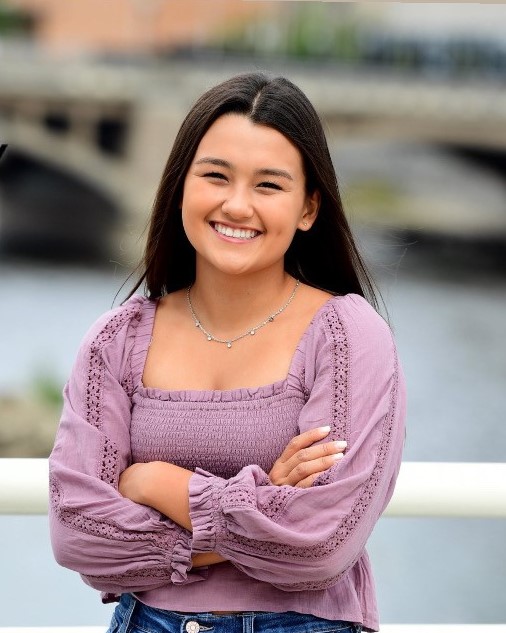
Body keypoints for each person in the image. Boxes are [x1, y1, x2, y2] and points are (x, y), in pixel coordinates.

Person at [49, 72, 406, 633]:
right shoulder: (115, 342)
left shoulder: (346, 337)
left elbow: (322, 543)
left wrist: (156, 484)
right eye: (216, 176)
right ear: (182, 187)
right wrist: (265, 499)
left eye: (269, 185)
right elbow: (79, 534)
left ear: (309, 208)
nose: (237, 205)